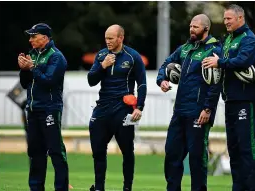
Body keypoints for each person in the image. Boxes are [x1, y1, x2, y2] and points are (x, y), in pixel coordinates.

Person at [156, 14, 222, 191]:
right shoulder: (185, 48)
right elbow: (166, 64)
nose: (191, 29)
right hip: (179, 111)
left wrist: (208, 109)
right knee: (172, 153)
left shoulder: (214, 50)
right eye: (191, 26)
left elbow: (216, 83)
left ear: (206, 29)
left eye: (196, 27)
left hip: (198, 112)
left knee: (196, 157)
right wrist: (162, 79)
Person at [202, 4, 255, 191]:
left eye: (229, 18)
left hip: (246, 100)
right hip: (230, 100)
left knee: (247, 147)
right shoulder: (227, 39)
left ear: (240, 18)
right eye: (225, 18)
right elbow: (217, 58)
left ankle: (253, 188)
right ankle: (238, 187)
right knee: (234, 148)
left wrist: (219, 62)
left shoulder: (249, 39)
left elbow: (242, 61)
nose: (225, 21)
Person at [87, 24, 147, 191]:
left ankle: (127, 187)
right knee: (98, 150)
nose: (107, 41)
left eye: (111, 38)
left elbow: (142, 83)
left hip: (123, 109)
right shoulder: (101, 55)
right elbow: (91, 80)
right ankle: (99, 187)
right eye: (106, 38)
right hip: (103, 108)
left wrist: (139, 107)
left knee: (127, 151)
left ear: (120, 38)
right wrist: (102, 66)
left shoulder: (133, 56)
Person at [18, 23, 69, 191]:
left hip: (50, 109)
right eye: (30, 36)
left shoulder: (56, 57)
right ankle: (36, 188)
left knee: (55, 151)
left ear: (45, 38)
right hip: (33, 110)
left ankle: (61, 188)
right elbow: (25, 84)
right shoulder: (32, 54)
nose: (30, 39)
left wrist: (32, 67)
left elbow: (49, 81)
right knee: (35, 152)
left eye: (34, 36)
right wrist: (24, 70)